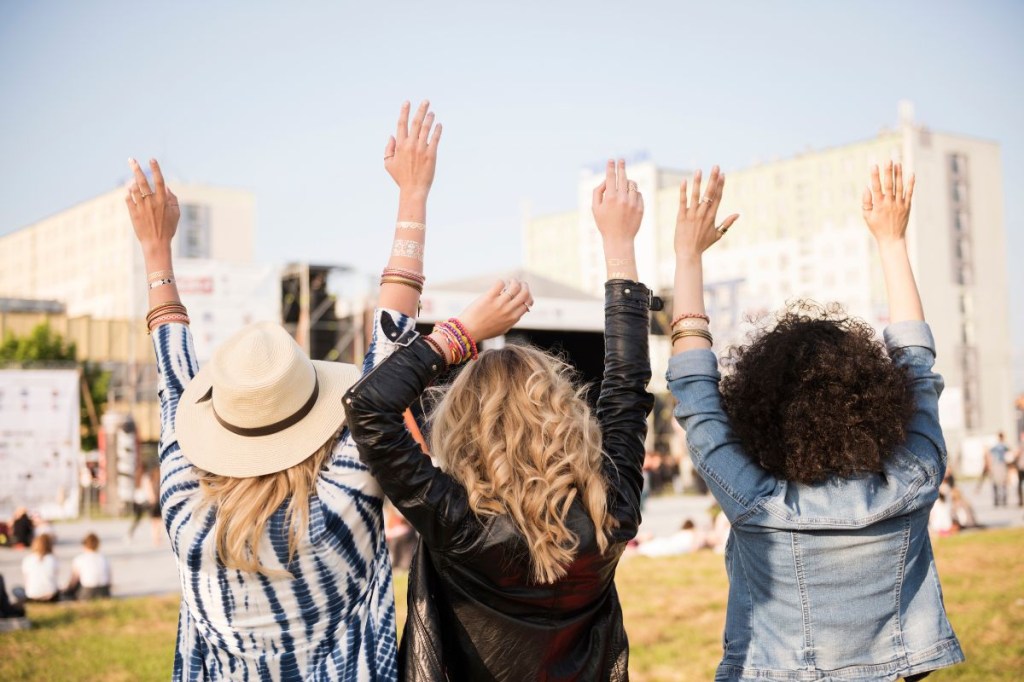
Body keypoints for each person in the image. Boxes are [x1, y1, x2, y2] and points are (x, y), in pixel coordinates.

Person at [126, 101, 440, 680]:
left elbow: (173, 376)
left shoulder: (185, 515)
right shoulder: (345, 497)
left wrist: (155, 252)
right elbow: (390, 349)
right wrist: (413, 196)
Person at [345, 158, 655, 681]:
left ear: (463, 426)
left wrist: (459, 333)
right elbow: (625, 384)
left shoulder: (457, 521)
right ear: (564, 414)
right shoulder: (612, 507)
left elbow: (368, 406)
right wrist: (620, 248)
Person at [667, 161, 963, 680]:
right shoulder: (914, 479)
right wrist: (893, 244)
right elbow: (916, 364)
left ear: (760, 407)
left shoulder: (755, 502)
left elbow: (696, 393)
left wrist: (687, 257)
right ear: (875, 394)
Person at [65, 533, 112, 600]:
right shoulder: (104, 558)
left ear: (84, 545)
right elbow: (109, 581)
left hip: (88, 591)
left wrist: (67, 590)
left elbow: (73, 581)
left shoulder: (79, 559)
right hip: (104, 591)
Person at [19, 534, 59, 603]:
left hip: (32, 596)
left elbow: (26, 580)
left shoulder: (28, 559)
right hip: (51, 596)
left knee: (17, 590)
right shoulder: (53, 559)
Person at [987, 432, 1010, 507]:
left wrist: (990, 466)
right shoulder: (1005, 447)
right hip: (1002, 465)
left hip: (995, 465)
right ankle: (1004, 500)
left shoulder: (994, 447)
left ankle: (996, 500)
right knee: (1003, 484)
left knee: (995, 484)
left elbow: (989, 455)